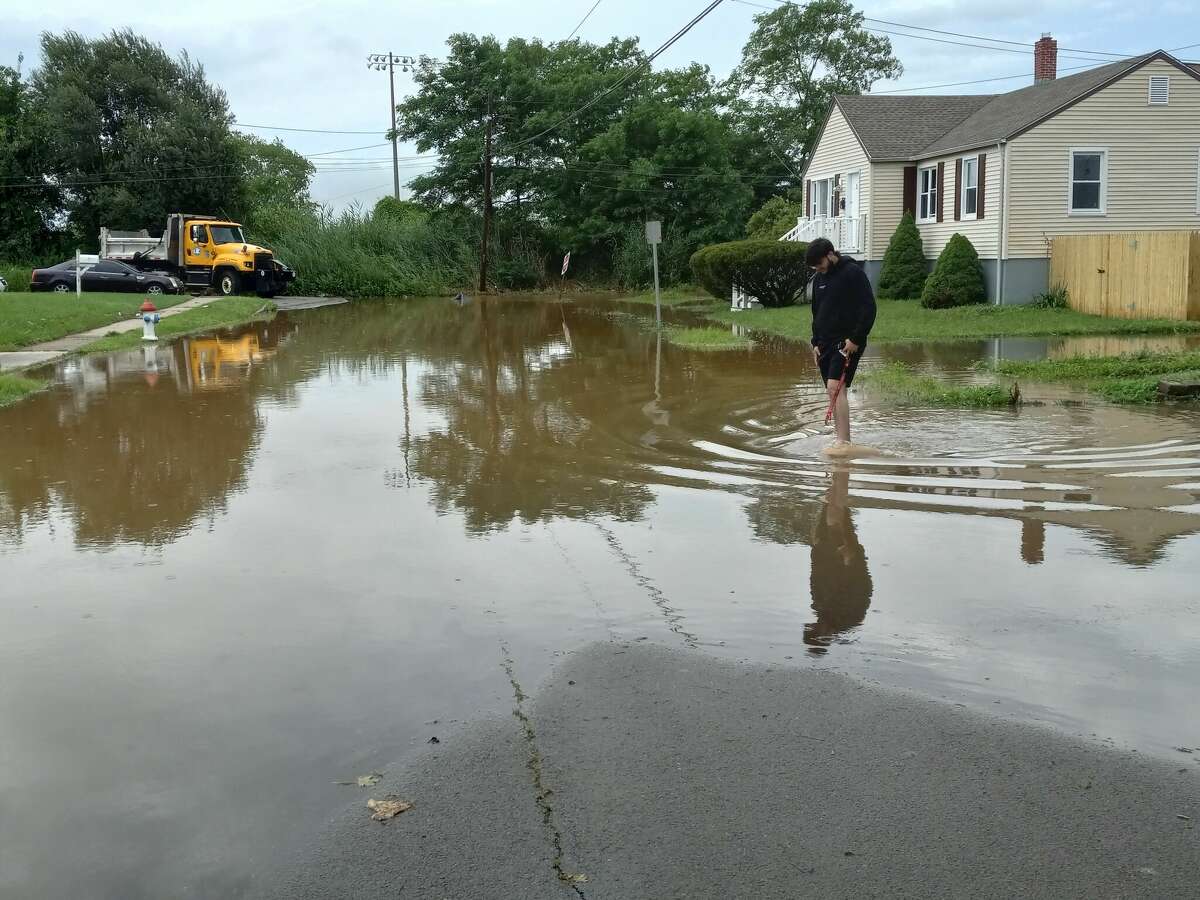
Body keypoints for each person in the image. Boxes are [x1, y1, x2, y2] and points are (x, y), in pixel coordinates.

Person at [805, 237, 876, 447]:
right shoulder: (819, 279)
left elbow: (869, 308)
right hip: (824, 344)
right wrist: (815, 343)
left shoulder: (852, 273)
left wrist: (856, 339)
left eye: (819, 264)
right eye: (814, 267)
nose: (817, 269)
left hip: (847, 342)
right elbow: (817, 313)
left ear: (830, 254)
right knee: (831, 389)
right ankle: (839, 437)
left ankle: (844, 441)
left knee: (836, 387)